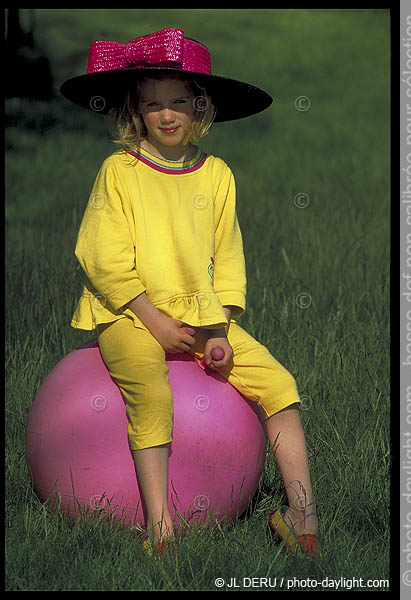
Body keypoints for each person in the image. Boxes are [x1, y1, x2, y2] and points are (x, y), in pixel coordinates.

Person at [60, 28, 319, 557]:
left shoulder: (217, 175)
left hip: (203, 318)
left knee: (279, 385)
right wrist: (153, 321)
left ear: (200, 108)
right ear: (136, 111)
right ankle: (162, 530)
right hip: (129, 317)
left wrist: (220, 329)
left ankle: (301, 518)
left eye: (180, 102)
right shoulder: (120, 173)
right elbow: (101, 255)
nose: (168, 114)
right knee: (153, 394)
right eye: (153, 105)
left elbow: (227, 258)